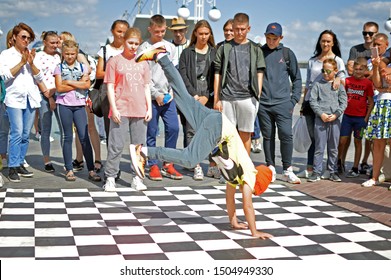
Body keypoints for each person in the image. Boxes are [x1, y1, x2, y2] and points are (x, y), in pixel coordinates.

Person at [132, 43, 274, 239]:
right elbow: (247, 204)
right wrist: (254, 231)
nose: (248, 192)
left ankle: (161, 57)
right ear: (257, 184)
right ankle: (145, 152)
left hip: (217, 121)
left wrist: (233, 221)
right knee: (190, 159)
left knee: (182, 97)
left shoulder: (237, 177)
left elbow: (230, 198)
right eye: (254, 191)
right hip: (218, 128)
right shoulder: (249, 175)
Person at [102, 27, 151, 192]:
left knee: (139, 146)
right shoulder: (114, 61)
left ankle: (137, 178)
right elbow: (109, 86)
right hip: (121, 108)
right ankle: (110, 178)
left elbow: (146, 87)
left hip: (140, 108)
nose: (133, 46)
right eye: (130, 42)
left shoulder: (143, 62)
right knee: (116, 145)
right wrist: (114, 108)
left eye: (136, 43)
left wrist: (149, 108)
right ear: (124, 41)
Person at [137, 14, 182, 181]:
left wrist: (169, 93)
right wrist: (156, 95)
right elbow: (144, 76)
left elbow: (173, 72)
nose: (160, 34)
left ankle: (168, 163)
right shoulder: (143, 48)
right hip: (151, 97)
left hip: (168, 97)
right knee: (152, 131)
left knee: (174, 128)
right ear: (150, 29)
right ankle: (153, 164)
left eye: (163, 31)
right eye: (157, 31)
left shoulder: (170, 47)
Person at [214, 13, 265, 156]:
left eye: (242, 29)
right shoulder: (224, 48)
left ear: (248, 28)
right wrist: (217, 98)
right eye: (236, 29)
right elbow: (217, 73)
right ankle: (229, 172)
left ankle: (245, 170)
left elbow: (260, 72)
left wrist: (258, 94)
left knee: (245, 135)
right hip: (227, 98)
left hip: (248, 98)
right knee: (227, 136)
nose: (239, 32)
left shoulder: (255, 48)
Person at [299, 30, 346, 179]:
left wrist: (338, 79)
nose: (325, 43)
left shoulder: (337, 60)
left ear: (333, 43)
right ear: (319, 42)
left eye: (328, 41)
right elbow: (309, 82)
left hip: (331, 106)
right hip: (313, 102)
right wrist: (303, 103)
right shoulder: (313, 60)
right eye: (323, 40)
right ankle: (312, 168)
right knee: (314, 139)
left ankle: (330, 170)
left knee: (331, 143)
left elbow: (342, 80)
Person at [259, 22, 302, 184]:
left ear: (281, 38)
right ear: (265, 36)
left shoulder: (287, 53)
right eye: (268, 37)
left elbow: (297, 78)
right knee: (267, 136)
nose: (271, 41)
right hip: (263, 104)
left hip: (283, 104)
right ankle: (270, 167)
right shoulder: (260, 52)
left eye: (274, 38)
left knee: (286, 135)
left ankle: (287, 169)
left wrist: (293, 100)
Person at [0, 23, 44, 182]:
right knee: (16, 132)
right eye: (23, 37)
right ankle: (11, 166)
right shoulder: (6, 55)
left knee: (25, 134)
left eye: (29, 38)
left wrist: (31, 63)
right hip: (14, 98)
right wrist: (21, 63)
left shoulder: (31, 54)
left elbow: (40, 78)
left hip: (30, 98)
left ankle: (18, 162)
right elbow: (4, 76)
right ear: (14, 38)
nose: (26, 40)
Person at [54, 40, 101, 182]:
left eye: (72, 54)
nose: (69, 56)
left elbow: (86, 85)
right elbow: (59, 88)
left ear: (77, 53)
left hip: (80, 105)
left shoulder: (82, 67)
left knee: (84, 137)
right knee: (67, 137)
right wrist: (77, 84)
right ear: (63, 53)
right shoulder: (58, 68)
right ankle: (69, 169)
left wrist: (68, 82)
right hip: (64, 105)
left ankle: (91, 169)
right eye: (67, 54)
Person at [178, 19, 219, 181]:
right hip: (191, 98)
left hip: (209, 98)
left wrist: (207, 96)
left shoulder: (215, 52)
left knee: (212, 132)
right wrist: (195, 95)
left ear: (210, 35)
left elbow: (218, 77)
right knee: (191, 131)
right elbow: (183, 76)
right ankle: (196, 165)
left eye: (206, 34)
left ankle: (213, 165)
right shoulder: (187, 53)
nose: (203, 37)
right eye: (200, 33)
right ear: (195, 33)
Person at [346, 22, 379, 175]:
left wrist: (363, 73)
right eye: (364, 33)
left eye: (370, 34)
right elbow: (350, 69)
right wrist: (367, 73)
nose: (367, 36)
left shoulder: (377, 51)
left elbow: (379, 70)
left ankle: (365, 162)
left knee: (370, 136)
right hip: (357, 98)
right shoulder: (355, 49)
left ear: (376, 34)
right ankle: (341, 162)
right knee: (348, 136)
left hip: (374, 96)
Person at [308, 59, 347, 182]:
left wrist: (336, 114)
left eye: (328, 71)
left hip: (335, 121)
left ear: (335, 71)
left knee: (333, 147)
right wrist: (321, 114)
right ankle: (316, 171)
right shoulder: (317, 85)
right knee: (319, 147)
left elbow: (343, 102)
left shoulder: (339, 86)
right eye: (323, 70)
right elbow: (313, 101)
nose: (325, 73)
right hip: (321, 120)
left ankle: (333, 171)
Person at [362, 33, 391, 187]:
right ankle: (374, 177)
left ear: (386, 45)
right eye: (375, 44)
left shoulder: (387, 60)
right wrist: (375, 67)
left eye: (380, 44)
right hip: (381, 103)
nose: (377, 47)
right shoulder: (375, 62)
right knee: (378, 143)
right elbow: (378, 85)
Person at [337, 58, 374, 178]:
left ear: (365, 70)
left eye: (361, 69)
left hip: (360, 119)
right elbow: (341, 95)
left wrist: (366, 117)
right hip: (347, 116)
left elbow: (371, 102)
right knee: (342, 141)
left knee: (358, 142)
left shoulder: (367, 83)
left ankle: (355, 167)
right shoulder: (348, 81)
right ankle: (339, 162)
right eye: (356, 69)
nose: (358, 71)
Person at [33, 31, 63, 173]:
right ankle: (47, 160)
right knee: (46, 129)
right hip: (44, 94)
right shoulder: (38, 56)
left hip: (60, 94)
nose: (55, 45)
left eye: (57, 42)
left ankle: (67, 159)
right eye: (52, 42)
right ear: (44, 42)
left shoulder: (60, 56)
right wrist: (48, 96)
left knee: (64, 128)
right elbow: (38, 77)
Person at [168, 17, 190, 148]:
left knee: (188, 127)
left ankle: (189, 158)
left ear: (186, 30)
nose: (178, 34)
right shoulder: (167, 47)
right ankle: (169, 158)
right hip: (170, 92)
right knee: (171, 128)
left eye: (181, 30)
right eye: (175, 31)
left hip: (186, 93)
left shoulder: (190, 47)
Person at [0, 28, 14, 172]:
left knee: (18, 131)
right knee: (4, 130)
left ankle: (17, 158)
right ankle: (3, 155)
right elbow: (5, 76)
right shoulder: (4, 55)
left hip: (14, 98)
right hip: (5, 97)